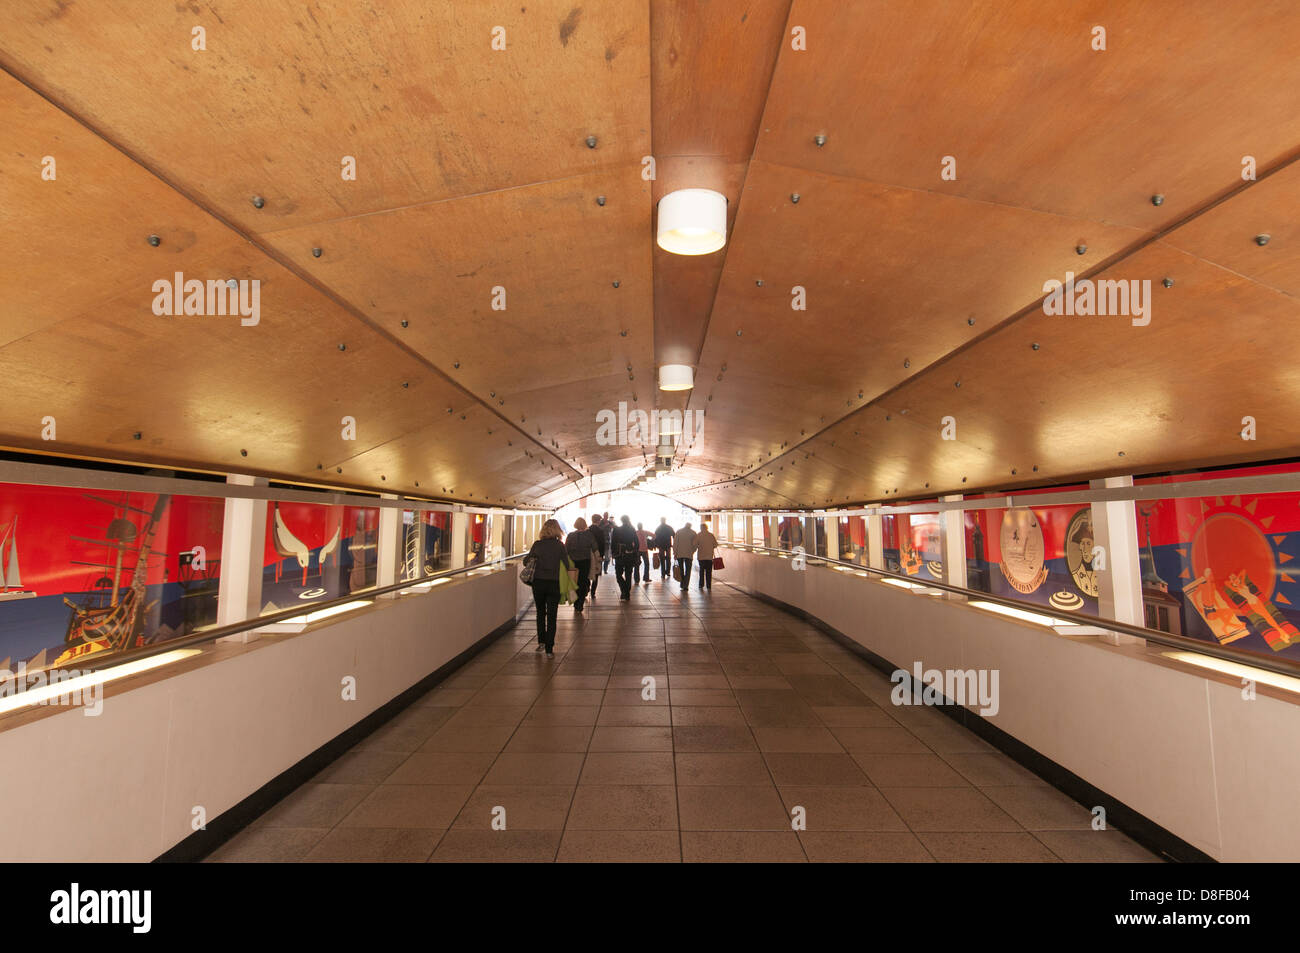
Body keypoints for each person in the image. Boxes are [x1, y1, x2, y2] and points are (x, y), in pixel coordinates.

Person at [526, 519, 574, 657]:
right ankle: (549, 648)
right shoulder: (559, 545)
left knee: (540, 612)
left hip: (538, 583)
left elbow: (526, 561)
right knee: (552, 615)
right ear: (557, 530)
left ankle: (541, 641)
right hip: (554, 583)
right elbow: (566, 564)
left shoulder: (537, 545)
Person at [565, 517, 595, 613]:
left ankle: (576, 601)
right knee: (583, 581)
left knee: (574, 581)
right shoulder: (589, 535)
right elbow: (594, 546)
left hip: (573, 562)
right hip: (585, 561)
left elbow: (566, 549)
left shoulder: (570, 535)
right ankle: (580, 602)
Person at [610, 515, 640, 600]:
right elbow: (637, 543)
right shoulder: (632, 529)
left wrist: (613, 553)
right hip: (630, 555)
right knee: (628, 574)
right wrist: (634, 550)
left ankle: (624, 590)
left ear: (621, 520)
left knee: (618, 574)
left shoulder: (617, 529)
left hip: (620, 555)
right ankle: (626, 592)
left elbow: (613, 543)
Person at [674, 521, 697, 591]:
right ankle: (686, 585)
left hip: (680, 554)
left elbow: (675, 543)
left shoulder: (679, 532)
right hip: (689, 554)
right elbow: (695, 544)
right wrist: (693, 551)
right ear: (690, 526)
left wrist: (675, 552)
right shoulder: (693, 533)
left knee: (681, 569)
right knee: (688, 570)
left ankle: (682, 583)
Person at [695, 520, 718, 591]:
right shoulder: (711, 535)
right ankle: (708, 585)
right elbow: (715, 545)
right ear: (707, 528)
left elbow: (694, 544)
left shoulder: (698, 535)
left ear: (701, 528)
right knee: (709, 572)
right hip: (709, 557)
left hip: (701, 557)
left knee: (701, 571)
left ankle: (701, 585)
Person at [587, 515, 605, 601]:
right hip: (597, 554)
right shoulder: (600, 531)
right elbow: (602, 544)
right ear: (598, 521)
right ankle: (593, 592)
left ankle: (586, 589)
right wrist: (602, 555)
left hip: (588, 555)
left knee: (587, 572)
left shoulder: (587, 530)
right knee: (596, 573)